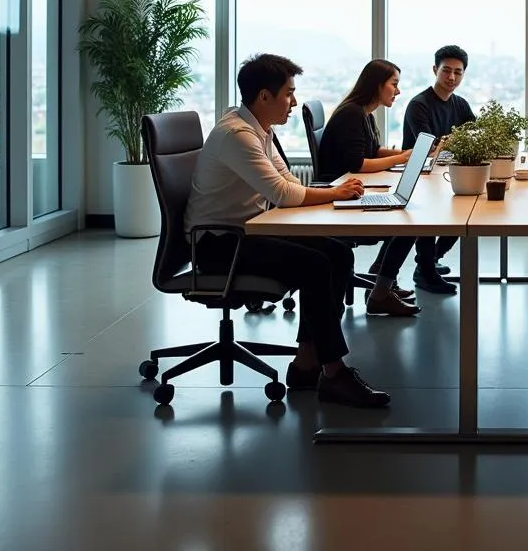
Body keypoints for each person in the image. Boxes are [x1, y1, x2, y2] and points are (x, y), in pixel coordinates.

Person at [185, 53, 390, 408]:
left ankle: (306, 363)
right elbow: (283, 193)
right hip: (219, 244)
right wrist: (335, 194)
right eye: (289, 94)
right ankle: (334, 372)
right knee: (315, 264)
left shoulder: (259, 130)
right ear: (264, 97)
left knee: (338, 253)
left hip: (248, 231)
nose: (294, 102)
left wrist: (330, 196)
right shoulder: (237, 135)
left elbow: (288, 182)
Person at [316, 59, 421, 318]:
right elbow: (358, 163)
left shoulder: (364, 112)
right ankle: (380, 291)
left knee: (406, 215)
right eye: (394, 84)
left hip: (351, 187)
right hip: (340, 195)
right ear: (377, 85)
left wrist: (406, 154)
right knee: (410, 224)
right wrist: (399, 159)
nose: (398, 91)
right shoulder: (352, 114)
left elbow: (372, 151)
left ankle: (381, 277)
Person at [400, 44, 476, 294]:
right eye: (446, 71)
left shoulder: (460, 104)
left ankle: (429, 259)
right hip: (418, 175)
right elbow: (430, 148)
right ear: (435, 69)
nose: (452, 77)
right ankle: (425, 269)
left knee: (466, 208)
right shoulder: (418, 105)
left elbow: (475, 134)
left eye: (458, 72)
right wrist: (454, 139)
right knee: (432, 213)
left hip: (444, 173)